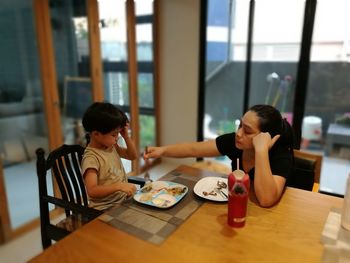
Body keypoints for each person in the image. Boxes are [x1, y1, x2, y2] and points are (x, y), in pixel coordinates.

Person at [144, 104, 295, 207]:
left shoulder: (280, 154)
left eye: (247, 131)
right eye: (240, 125)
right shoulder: (236, 142)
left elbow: (266, 200)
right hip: (238, 204)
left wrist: (261, 151)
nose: (238, 133)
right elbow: (194, 149)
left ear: (265, 136)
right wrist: (163, 151)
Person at [81, 102, 138, 210]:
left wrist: (126, 136)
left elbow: (132, 156)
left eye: (118, 133)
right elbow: (92, 190)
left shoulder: (111, 146)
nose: (117, 137)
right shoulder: (91, 158)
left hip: (123, 201)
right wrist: (119, 186)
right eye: (114, 134)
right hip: (105, 209)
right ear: (96, 134)